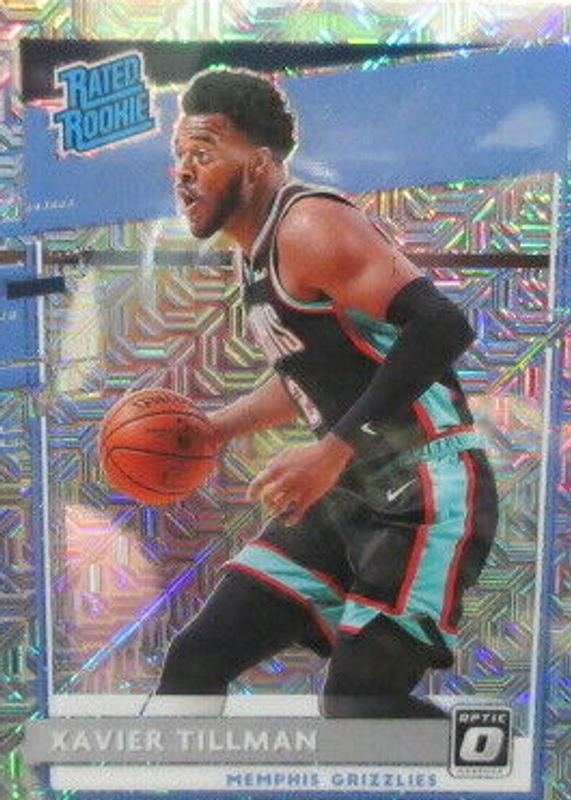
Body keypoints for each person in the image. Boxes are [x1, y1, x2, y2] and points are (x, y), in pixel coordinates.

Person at [153, 68, 498, 719]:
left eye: (202, 152)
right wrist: (215, 429)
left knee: (357, 707)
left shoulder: (308, 225)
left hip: (427, 486)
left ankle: (501, 762)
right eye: (179, 155)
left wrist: (332, 450)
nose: (184, 172)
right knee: (195, 659)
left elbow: (440, 326)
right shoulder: (253, 251)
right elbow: (312, 378)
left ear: (258, 165)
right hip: (352, 492)